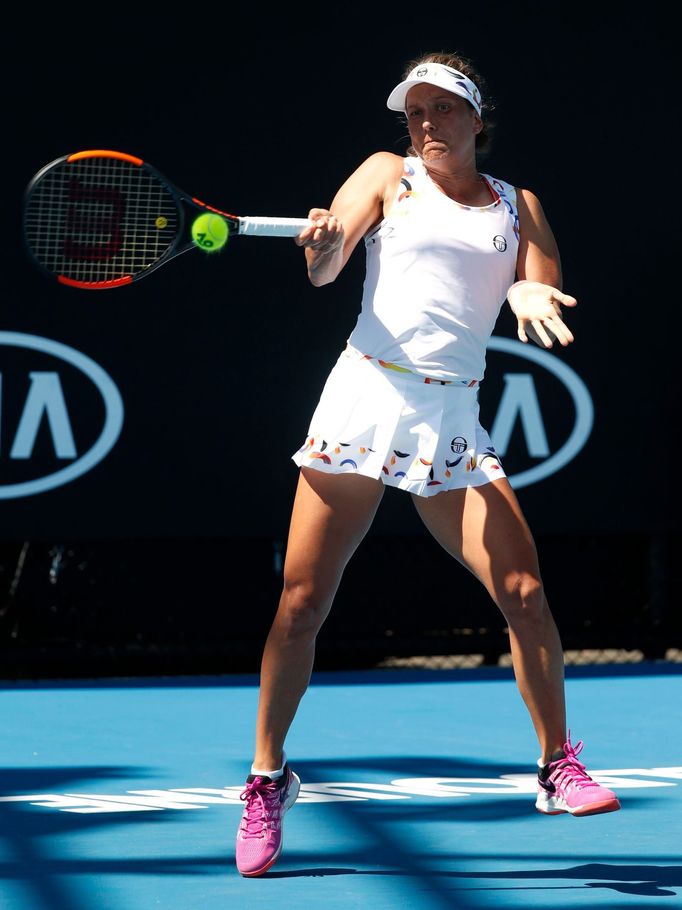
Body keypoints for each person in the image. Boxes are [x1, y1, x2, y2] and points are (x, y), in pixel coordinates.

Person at [235, 51, 621, 878]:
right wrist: (324, 243)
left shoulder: (521, 208)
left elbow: (539, 288)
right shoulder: (386, 173)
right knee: (302, 602)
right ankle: (268, 778)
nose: (425, 122)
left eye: (442, 108)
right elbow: (327, 267)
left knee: (524, 592)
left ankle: (555, 766)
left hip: (453, 412)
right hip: (366, 395)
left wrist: (525, 291)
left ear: (478, 120)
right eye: (414, 110)